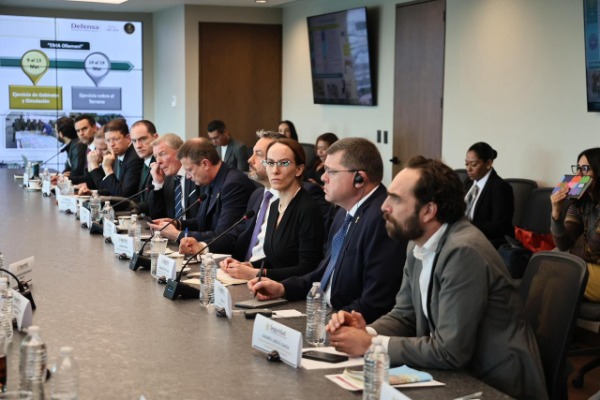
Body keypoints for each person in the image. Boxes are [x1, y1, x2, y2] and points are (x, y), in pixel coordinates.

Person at [326, 156, 547, 400]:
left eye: (396, 199)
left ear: (429, 211)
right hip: (457, 373)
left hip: (496, 383)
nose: (384, 207)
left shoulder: (463, 251)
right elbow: (405, 315)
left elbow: (450, 351)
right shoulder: (417, 243)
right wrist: (367, 331)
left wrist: (371, 344)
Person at [248, 138, 407, 324]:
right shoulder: (342, 213)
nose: (323, 177)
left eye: (331, 171)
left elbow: (376, 301)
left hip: (348, 324)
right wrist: (283, 288)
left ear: (359, 179)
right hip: (322, 311)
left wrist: (328, 323)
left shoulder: (382, 219)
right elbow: (322, 274)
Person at [212, 137, 325, 281]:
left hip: (291, 291)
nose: (275, 170)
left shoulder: (308, 209)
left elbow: (308, 269)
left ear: (299, 169)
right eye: (270, 163)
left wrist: (257, 273)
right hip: (268, 285)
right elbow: (276, 259)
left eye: (284, 163)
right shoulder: (274, 205)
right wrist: (248, 266)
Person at [181, 131, 283, 263]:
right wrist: (202, 247)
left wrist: (254, 270)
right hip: (238, 266)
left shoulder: (235, 183)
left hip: (260, 272)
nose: (249, 160)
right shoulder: (258, 196)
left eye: (258, 154)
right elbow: (236, 233)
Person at [149, 138, 255, 254]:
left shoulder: (234, 184)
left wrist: (177, 234)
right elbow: (202, 222)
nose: (188, 176)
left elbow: (222, 235)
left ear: (205, 164)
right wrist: (177, 224)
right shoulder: (210, 179)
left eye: (189, 170)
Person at [551, 147, 600, 301]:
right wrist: (556, 212)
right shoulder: (581, 200)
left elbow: (591, 252)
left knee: (552, 270)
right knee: (547, 267)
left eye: (585, 169)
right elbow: (564, 243)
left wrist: (562, 254)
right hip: (589, 264)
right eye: (577, 168)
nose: (578, 175)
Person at [464, 142, 514, 248]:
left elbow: (500, 227)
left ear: (488, 163)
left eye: (474, 164)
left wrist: (466, 226)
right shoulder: (468, 183)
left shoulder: (500, 188)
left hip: (487, 243)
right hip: (465, 237)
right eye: (466, 164)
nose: (468, 169)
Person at [147, 134, 200, 220]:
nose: (158, 161)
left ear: (180, 153)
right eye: (156, 157)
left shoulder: (196, 176)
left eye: (162, 154)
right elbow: (157, 218)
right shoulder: (167, 180)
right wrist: (158, 184)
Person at [88, 118, 144, 197]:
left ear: (128, 138)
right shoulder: (118, 155)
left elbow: (123, 195)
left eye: (115, 139)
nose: (111, 144)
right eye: (108, 140)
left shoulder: (135, 158)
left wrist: (107, 168)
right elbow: (110, 188)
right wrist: (93, 192)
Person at [130, 120, 159, 207]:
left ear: (156, 137)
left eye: (143, 139)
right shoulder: (145, 161)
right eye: (134, 141)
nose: (138, 146)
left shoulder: (159, 163)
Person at [55, 117, 86, 184]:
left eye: (56, 132)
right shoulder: (72, 146)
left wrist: (64, 177)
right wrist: (61, 175)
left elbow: (75, 173)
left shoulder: (78, 146)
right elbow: (67, 170)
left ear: (61, 134)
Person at [70, 114, 98, 184]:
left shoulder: (101, 149)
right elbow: (88, 177)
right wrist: (65, 178)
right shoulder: (87, 148)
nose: (81, 134)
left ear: (94, 128)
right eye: (78, 131)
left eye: (84, 129)